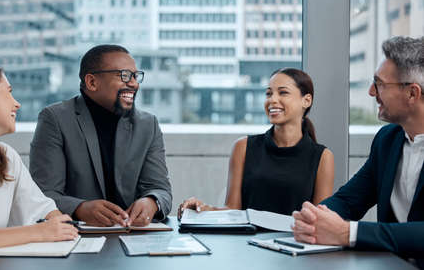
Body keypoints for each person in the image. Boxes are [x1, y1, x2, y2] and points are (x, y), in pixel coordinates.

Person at [292, 36, 424, 268]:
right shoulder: (387, 140)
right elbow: (349, 199)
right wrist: (315, 217)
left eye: (379, 83)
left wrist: (348, 232)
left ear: (412, 93)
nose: (372, 92)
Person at [30, 45, 172, 227]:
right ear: (92, 82)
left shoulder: (147, 124)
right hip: (75, 238)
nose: (134, 84)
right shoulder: (55, 119)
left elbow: (160, 189)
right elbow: (43, 194)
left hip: (132, 235)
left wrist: (152, 202)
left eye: (136, 76)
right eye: (124, 75)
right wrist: (80, 208)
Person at [179, 68, 334, 217]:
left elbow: (318, 220)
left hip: (294, 242)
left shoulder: (323, 157)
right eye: (268, 94)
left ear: (306, 100)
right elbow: (232, 210)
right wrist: (201, 209)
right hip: (247, 242)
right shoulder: (243, 147)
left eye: (283, 92)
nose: (272, 100)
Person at [0, 63, 78, 252]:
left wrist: (58, 224)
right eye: (9, 92)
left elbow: (42, 209)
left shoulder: (6, 157)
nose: (17, 103)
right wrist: (39, 232)